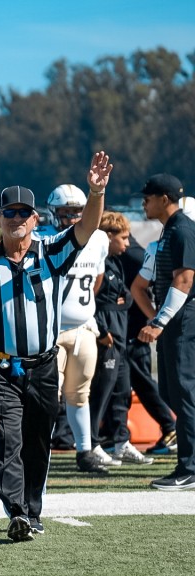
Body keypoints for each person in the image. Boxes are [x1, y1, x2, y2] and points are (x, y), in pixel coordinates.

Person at [0, 151, 112, 542]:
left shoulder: (52, 252)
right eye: (10, 213)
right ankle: (16, 510)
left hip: (43, 365)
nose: (17, 219)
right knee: (7, 438)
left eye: (24, 213)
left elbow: (87, 229)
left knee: (39, 440)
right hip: (0, 365)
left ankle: (32, 510)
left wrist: (95, 192)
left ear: (36, 219)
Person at [37, 185, 110, 474]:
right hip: (49, 330)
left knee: (80, 394)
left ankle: (84, 450)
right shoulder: (43, 239)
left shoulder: (99, 239)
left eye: (76, 212)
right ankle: (41, 451)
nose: (70, 218)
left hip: (83, 328)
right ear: (53, 213)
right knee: (46, 395)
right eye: (65, 212)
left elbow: (97, 280)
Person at [135, 174, 195, 490]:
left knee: (184, 393)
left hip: (184, 321)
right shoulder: (170, 230)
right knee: (171, 393)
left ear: (165, 198)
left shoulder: (183, 229)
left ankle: (190, 467)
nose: (143, 202)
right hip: (175, 321)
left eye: (148, 197)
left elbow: (184, 280)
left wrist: (158, 322)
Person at [89, 212, 154, 465]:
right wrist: (102, 332)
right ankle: (91, 444)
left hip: (121, 338)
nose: (127, 244)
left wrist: (122, 300)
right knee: (100, 393)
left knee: (122, 392)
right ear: (108, 237)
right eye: (123, 238)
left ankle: (121, 442)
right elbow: (91, 301)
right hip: (107, 339)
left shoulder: (116, 262)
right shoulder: (97, 263)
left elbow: (125, 297)